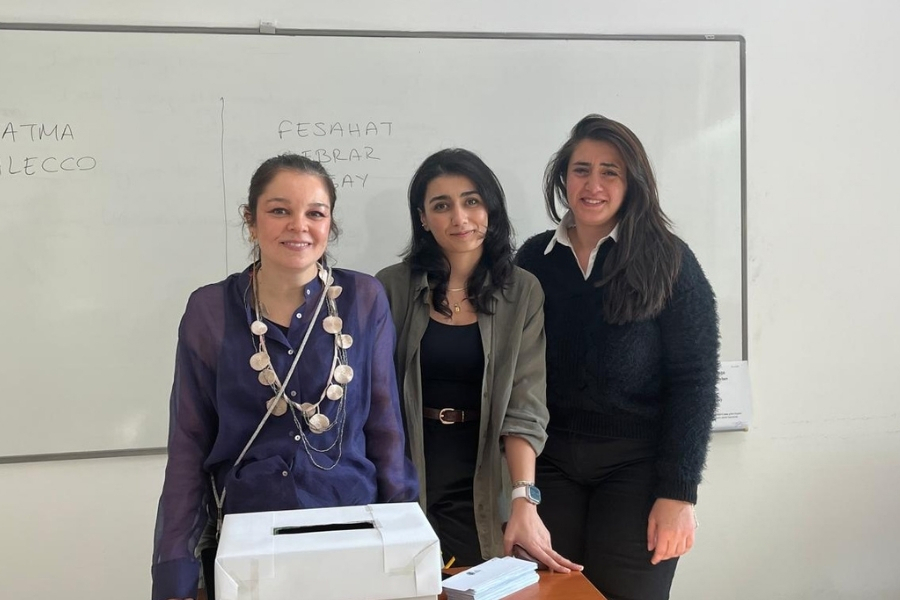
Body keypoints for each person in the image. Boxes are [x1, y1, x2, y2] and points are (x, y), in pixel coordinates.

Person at [151, 154, 418, 600]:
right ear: (251, 221)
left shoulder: (364, 298)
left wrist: (404, 537)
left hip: (351, 528)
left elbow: (386, 428)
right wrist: (174, 576)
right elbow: (188, 445)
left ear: (330, 224)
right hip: (250, 543)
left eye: (315, 213)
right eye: (279, 210)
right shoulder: (210, 310)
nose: (299, 226)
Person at [515, 115, 719, 600]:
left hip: (638, 468)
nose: (594, 185)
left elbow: (695, 380)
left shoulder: (669, 259)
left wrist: (679, 493)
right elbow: (515, 374)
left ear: (633, 183)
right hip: (551, 465)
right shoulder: (533, 260)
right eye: (581, 170)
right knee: (552, 596)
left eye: (611, 172)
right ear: (563, 177)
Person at [376, 148, 581, 573]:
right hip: (406, 473)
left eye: (471, 201)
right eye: (441, 206)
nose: (460, 218)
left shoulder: (522, 291)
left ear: (490, 207)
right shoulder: (389, 287)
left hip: (483, 476)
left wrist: (524, 497)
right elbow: (371, 400)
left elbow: (525, 404)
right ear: (422, 218)